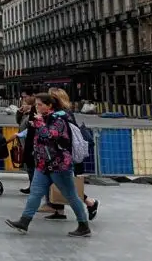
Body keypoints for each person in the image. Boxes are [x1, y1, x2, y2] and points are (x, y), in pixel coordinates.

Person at [6, 92, 91, 237]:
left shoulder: (59, 119)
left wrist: (39, 124)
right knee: (35, 192)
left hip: (59, 165)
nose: (37, 108)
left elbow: (50, 136)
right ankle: (24, 221)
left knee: (71, 195)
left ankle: (83, 225)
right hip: (44, 164)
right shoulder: (45, 118)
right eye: (36, 105)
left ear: (49, 105)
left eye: (40, 105)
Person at [43, 87, 99, 221]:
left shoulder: (61, 115)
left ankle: (89, 204)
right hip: (61, 153)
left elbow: (62, 135)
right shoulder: (63, 113)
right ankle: (59, 210)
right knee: (58, 182)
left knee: (65, 184)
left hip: (65, 154)